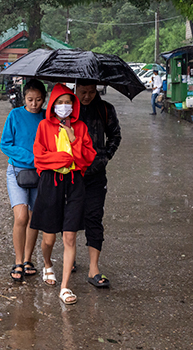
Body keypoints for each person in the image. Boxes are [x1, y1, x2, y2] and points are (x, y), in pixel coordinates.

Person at [30, 83, 96, 305]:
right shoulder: (44, 127)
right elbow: (39, 158)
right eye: (60, 102)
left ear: (74, 105)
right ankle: (47, 263)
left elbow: (87, 158)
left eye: (68, 102)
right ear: (52, 105)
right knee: (48, 238)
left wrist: (73, 138)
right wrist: (66, 159)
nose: (64, 106)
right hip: (51, 183)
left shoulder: (80, 127)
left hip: (75, 183)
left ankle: (65, 286)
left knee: (69, 236)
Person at [0, 79, 47, 282]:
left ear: (44, 99)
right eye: (30, 99)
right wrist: (31, 157)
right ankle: (18, 260)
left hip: (41, 173)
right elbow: (5, 144)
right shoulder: (15, 115)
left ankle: (28, 260)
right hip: (18, 171)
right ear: (24, 98)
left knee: (34, 217)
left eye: (38, 100)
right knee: (21, 217)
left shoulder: (47, 118)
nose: (34, 104)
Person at [75, 80, 122, 288]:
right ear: (75, 89)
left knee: (94, 216)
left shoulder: (105, 109)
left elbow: (115, 135)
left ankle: (94, 267)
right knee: (71, 218)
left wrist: (105, 156)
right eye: (83, 92)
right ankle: (71, 257)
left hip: (96, 174)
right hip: (71, 173)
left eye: (91, 92)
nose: (87, 96)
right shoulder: (67, 109)